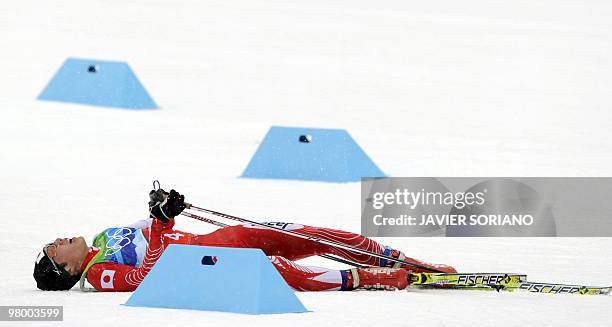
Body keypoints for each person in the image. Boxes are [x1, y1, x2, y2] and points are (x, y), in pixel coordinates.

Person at [34, 188, 456, 292]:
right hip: (209, 263)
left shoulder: (103, 237)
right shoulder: (100, 275)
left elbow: (152, 226)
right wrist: (162, 224)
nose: (58, 239)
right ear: (67, 269)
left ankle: (404, 260)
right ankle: (385, 278)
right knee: (288, 272)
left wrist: (163, 206)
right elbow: (147, 275)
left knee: (305, 236)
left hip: (219, 238)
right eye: (55, 248)